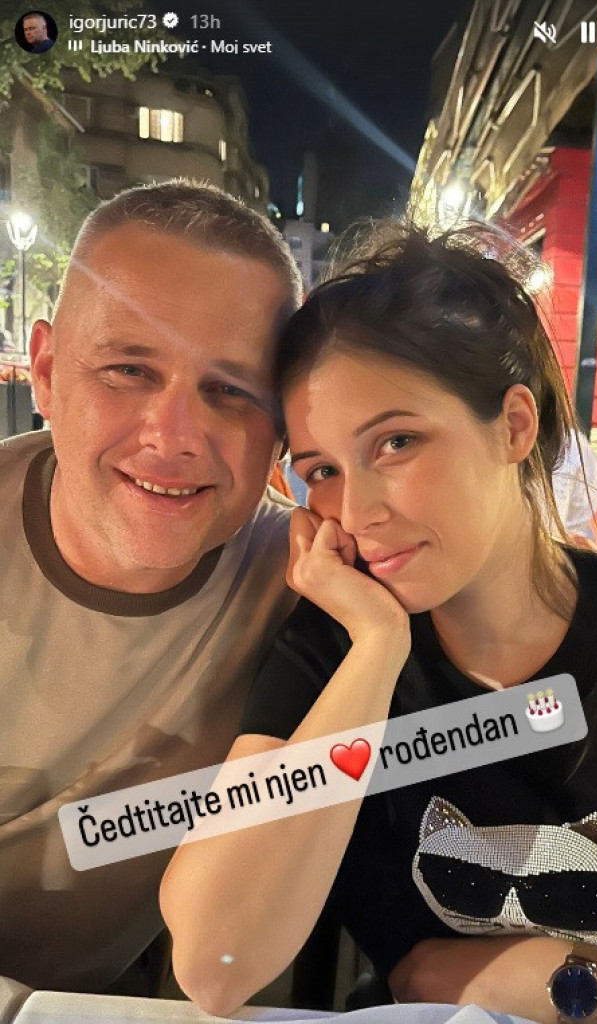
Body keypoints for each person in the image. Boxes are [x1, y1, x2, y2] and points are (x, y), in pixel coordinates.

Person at [161, 225, 597, 1023]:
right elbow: (213, 962)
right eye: (321, 471)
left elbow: (431, 977)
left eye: (396, 442)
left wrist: (536, 978)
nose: (359, 510)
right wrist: (376, 648)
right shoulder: (332, 651)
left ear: (513, 426)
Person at [0, 180, 303, 1000]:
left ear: (280, 429)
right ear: (47, 371)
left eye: (230, 390)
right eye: (129, 370)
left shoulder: (304, 580)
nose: (173, 438)